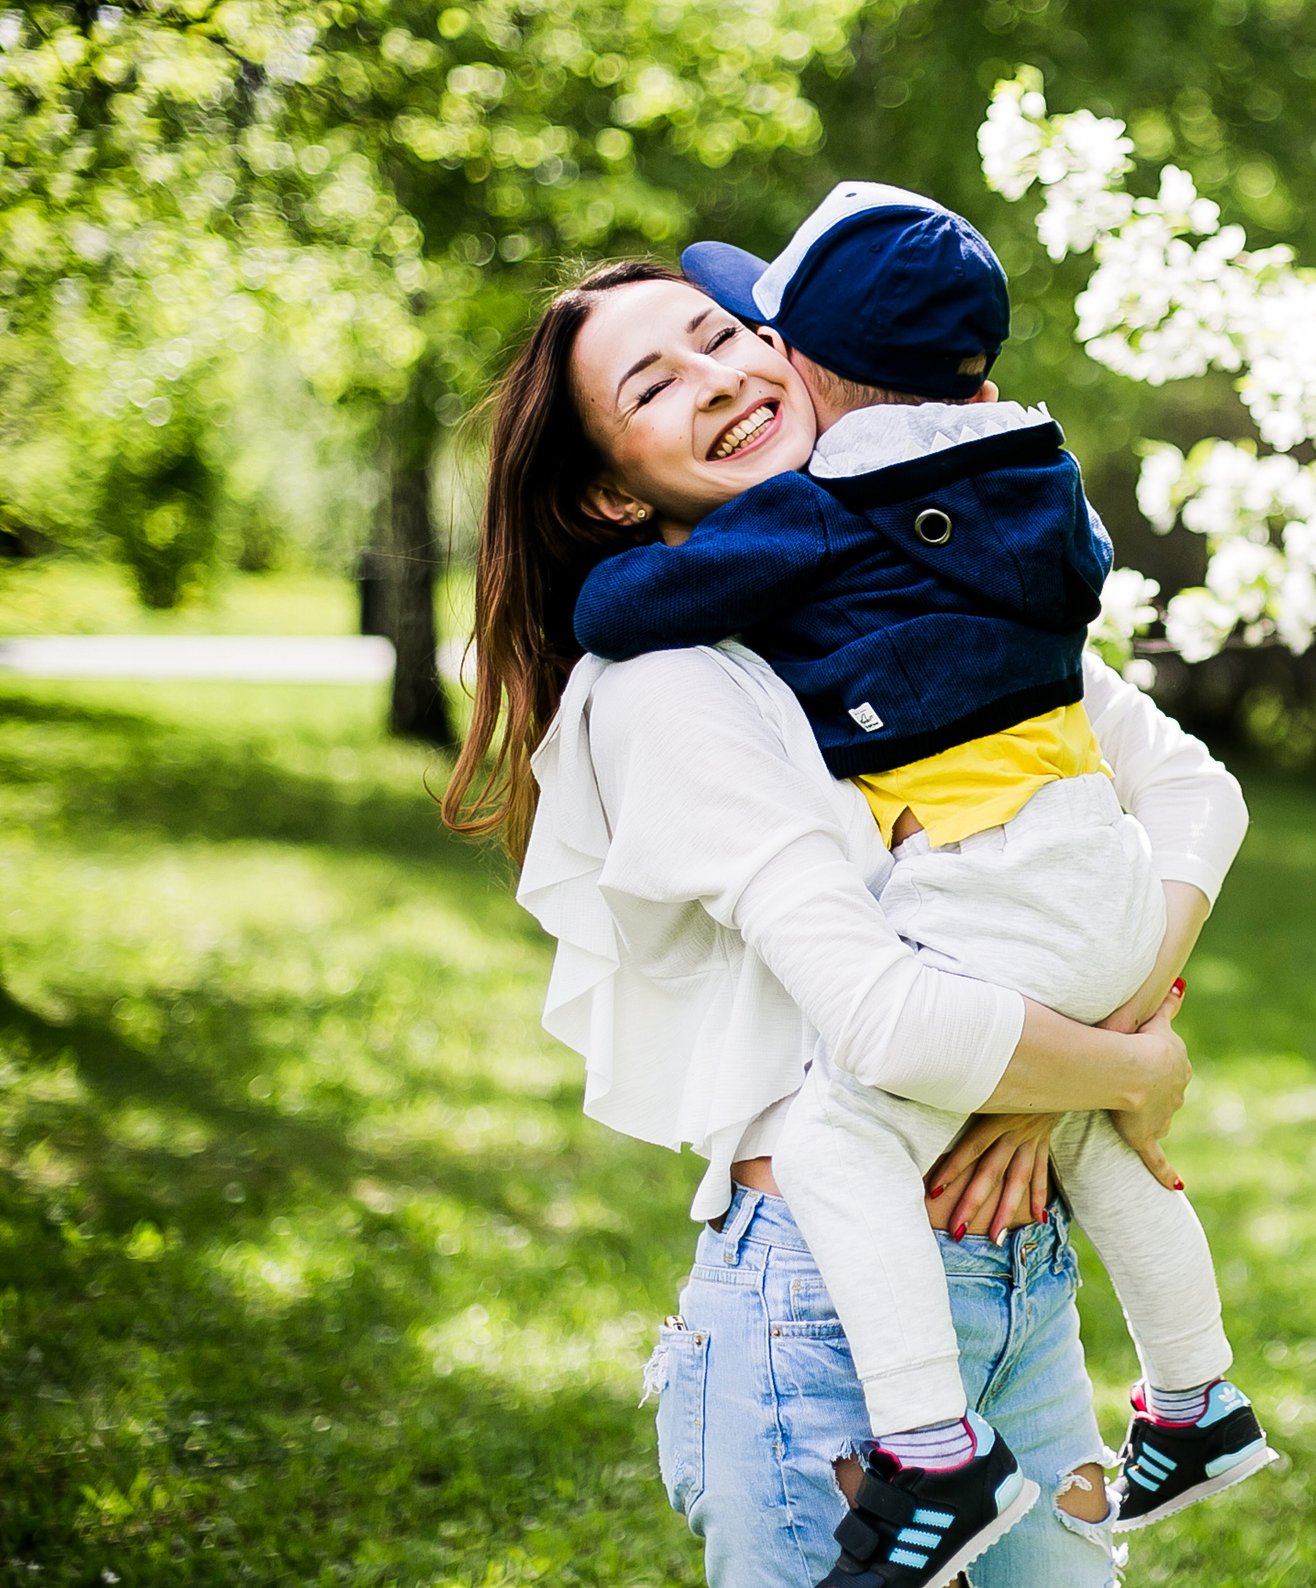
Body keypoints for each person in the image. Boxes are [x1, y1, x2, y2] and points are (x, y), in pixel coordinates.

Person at [443, 255, 1248, 1588]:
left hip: (1021, 1277)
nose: (719, 377)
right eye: (656, 382)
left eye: (722, 335)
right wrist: (1130, 1066)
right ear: (611, 489)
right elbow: (879, 1014)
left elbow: (1194, 794)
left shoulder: (918, 579)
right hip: (821, 1317)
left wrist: (1058, 1068)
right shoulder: (664, 690)